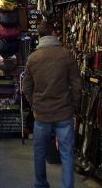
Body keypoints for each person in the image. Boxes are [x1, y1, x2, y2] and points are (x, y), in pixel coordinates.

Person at [23, 20, 81, 188]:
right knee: (67, 153)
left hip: (42, 113)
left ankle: (41, 184)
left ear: (39, 36)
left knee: (40, 152)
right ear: (54, 33)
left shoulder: (33, 58)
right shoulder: (66, 54)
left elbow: (26, 86)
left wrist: (34, 103)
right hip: (63, 112)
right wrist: (73, 103)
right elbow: (76, 84)